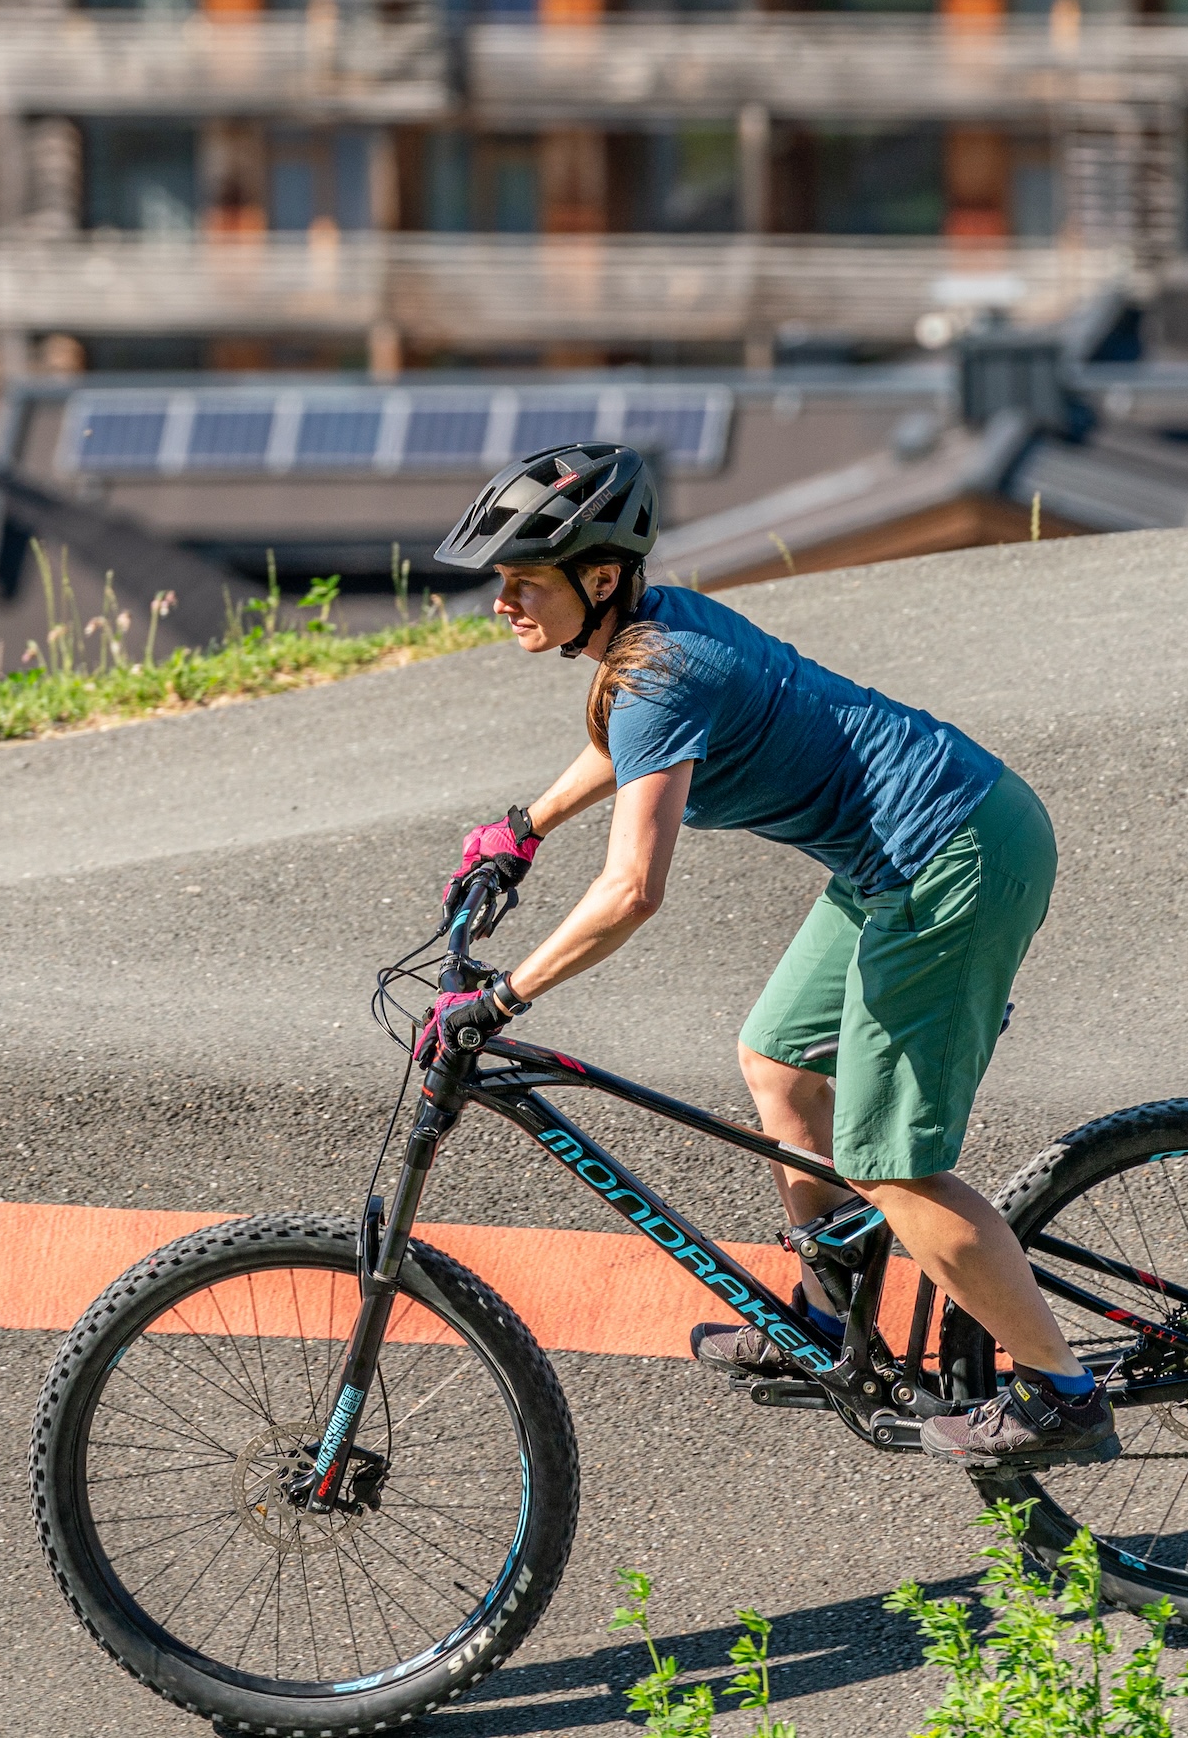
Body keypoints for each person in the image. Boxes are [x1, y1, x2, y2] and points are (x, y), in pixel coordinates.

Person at [408, 439, 1116, 1471]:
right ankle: (827, 1322)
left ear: (599, 578)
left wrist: (505, 996)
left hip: (953, 855)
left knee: (892, 1164)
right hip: (907, 850)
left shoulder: (657, 671)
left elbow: (631, 892)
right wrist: (527, 823)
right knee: (778, 1059)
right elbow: (635, 747)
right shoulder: (647, 643)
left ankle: (1061, 1390)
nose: (501, 601)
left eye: (522, 580)